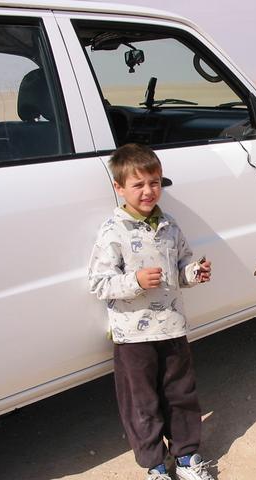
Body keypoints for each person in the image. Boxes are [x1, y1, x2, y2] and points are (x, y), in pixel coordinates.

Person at [88, 143, 214, 480]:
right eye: (138, 184)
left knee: (181, 394)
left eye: (155, 182)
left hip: (172, 328)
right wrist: (135, 281)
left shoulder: (169, 225)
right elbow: (99, 283)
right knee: (141, 402)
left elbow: (182, 266)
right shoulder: (113, 231)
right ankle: (155, 465)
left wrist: (194, 273)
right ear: (119, 188)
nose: (148, 191)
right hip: (134, 336)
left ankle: (186, 457)